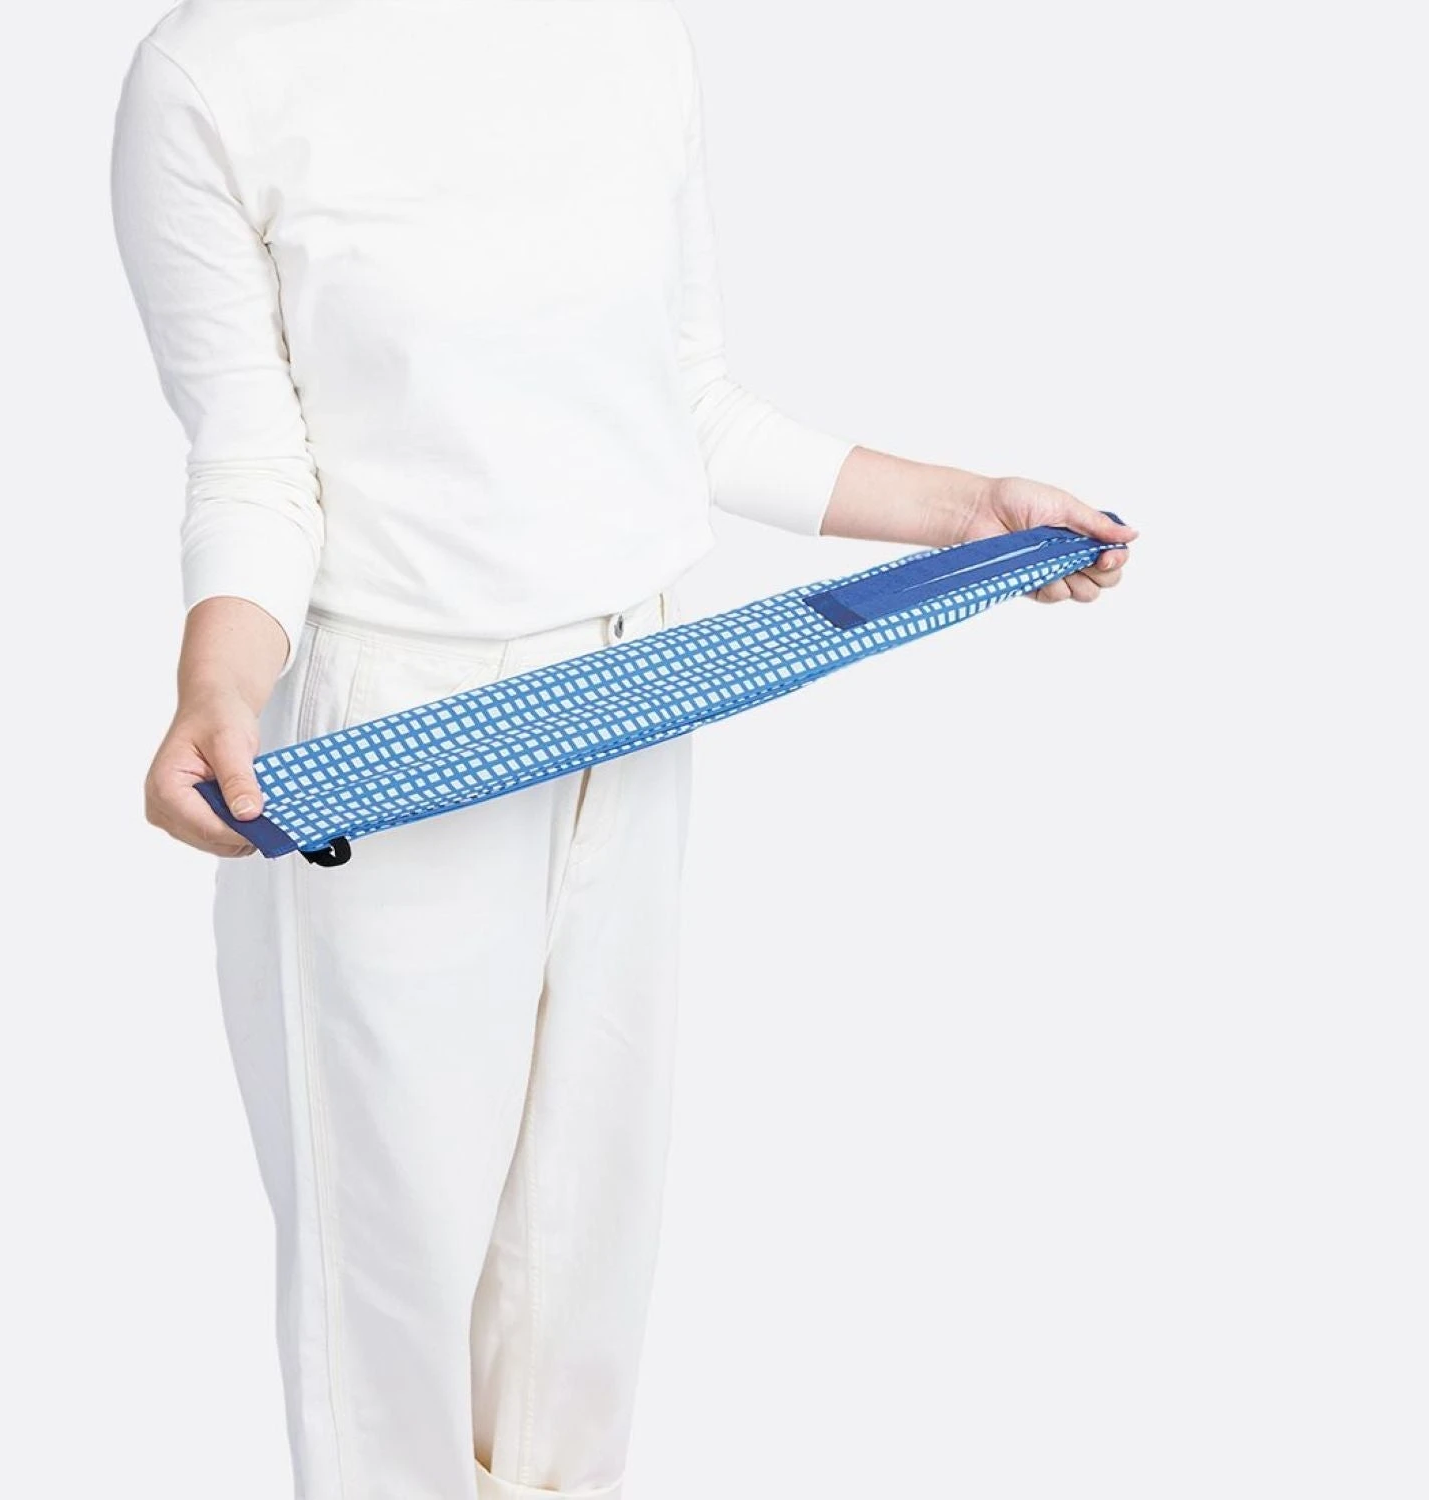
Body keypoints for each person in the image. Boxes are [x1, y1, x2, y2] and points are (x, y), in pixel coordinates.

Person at [110, 2, 1136, 1496]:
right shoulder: (214, 75)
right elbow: (258, 463)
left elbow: (688, 405)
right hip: (401, 739)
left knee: (578, 1262)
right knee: (389, 1289)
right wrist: (218, 683)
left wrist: (971, 511)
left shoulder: (627, 32)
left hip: (638, 691)